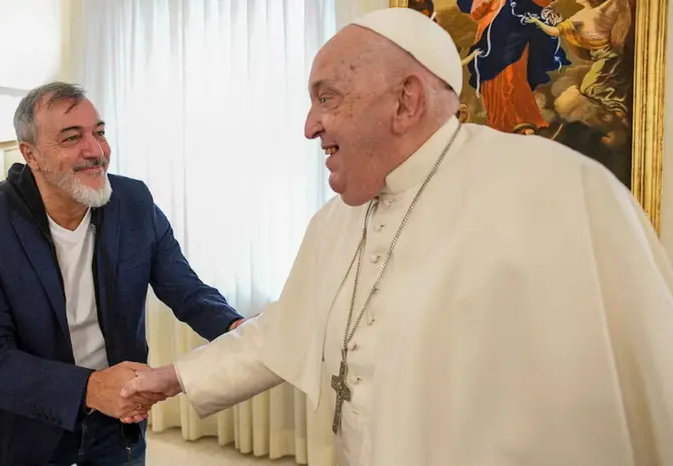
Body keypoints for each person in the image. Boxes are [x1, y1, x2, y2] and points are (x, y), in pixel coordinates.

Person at [120, 7, 673, 466]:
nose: (309, 125)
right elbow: (281, 333)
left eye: (327, 97)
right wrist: (169, 378)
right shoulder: (336, 220)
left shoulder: (558, 191)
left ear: (405, 102)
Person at [0, 82, 244, 466]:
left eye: (99, 132)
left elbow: (185, 288)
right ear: (30, 154)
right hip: (30, 428)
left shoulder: (134, 202)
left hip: (118, 425)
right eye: (71, 137)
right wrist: (90, 387)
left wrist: (236, 327)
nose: (96, 151)